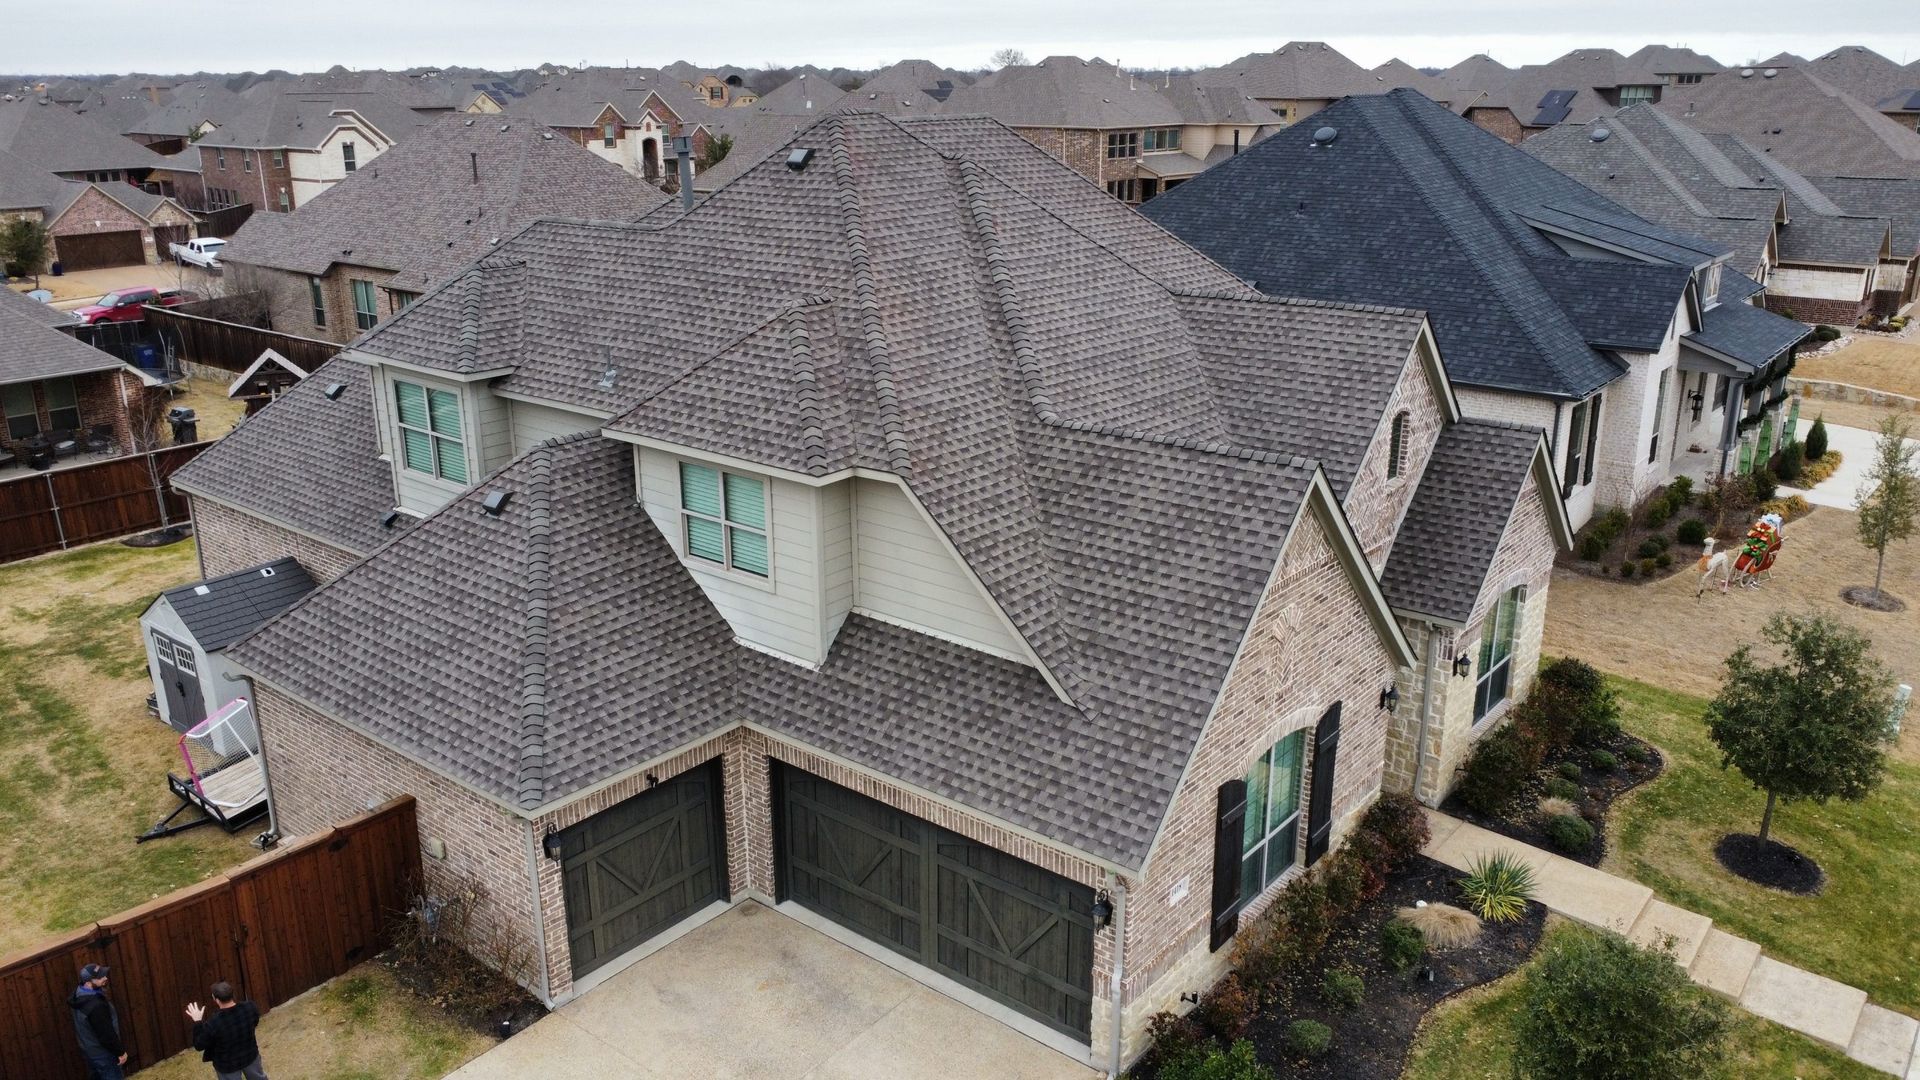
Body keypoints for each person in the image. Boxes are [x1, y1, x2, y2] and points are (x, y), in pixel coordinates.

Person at [186, 981, 268, 1080]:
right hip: (250, 1056)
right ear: (232, 994)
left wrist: (198, 1021)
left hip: (227, 1066)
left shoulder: (214, 1023)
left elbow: (199, 1045)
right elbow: (255, 1022)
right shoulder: (250, 1007)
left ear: (216, 1000)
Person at [68, 963, 126, 1080]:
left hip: (89, 1050)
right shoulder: (95, 1006)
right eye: (100, 977)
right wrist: (120, 1052)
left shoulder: (79, 994)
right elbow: (106, 1034)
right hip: (103, 1054)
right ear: (89, 983)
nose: (105, 978)